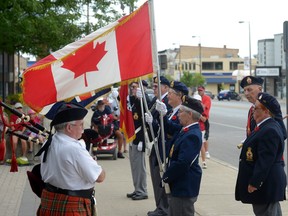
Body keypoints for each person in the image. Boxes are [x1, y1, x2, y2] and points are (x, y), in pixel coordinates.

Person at [37, 102, 105, 216]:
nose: (83, 130)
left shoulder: (48, 142)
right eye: (81, 125)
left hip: (49, 202)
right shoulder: (74, 149)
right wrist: (93, 162)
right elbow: (100, 177)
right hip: (72, 206)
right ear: (69, 127)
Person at [235, 92, 287, 216]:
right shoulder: (264, 127)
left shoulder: (269, 130)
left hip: (266, 185)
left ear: (266, 112)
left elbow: (265, 161)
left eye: (256, 108)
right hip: (266, 185)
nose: (253, 111)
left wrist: (255, 182)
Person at [155, 95, 204, 216]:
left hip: (184, 186)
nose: (177, 115)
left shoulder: (192, 135)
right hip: (179, 184)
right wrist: (162, 115)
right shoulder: (186, 130)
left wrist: (166, 177)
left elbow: (183, 163)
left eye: (181, 112)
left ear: (190, 115)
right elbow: (170, 128)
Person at [147, 76, 172, 216]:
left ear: (166, 88)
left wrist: (154, 122)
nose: (154, 88)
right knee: (156, 178)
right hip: (155, 143)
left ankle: (164, 208)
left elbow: (166, 126)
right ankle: (159, 207)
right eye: (154, 85)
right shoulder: (156, 101)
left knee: (161, 179)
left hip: (163, 146)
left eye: (157, 86)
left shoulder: (167, 102)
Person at [240, 75, 287, 140]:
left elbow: (282, 133)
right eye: (244, 90)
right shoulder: (251, 109)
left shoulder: (269, 104)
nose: (246, 93)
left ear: (260, 89)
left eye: (249, 90)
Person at [126, 81, 148, 200]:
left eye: (134, 87)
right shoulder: (133, 99)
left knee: (140, 167)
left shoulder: (143, 100)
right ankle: (137, 189)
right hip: (132, 137)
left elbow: (145, 120)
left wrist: (142, 141)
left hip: (139, 137)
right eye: (131, 87)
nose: (132, 89)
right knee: (134, 166)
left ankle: (142, 191)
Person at [193, 93, 208, 169]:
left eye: (199, 101)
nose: (197, 102)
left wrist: (198, 115)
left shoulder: (202, 109)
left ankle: (204, 161)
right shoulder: (191, 108)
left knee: (201, 145)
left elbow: (204, 119)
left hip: (201, 129)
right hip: (193, 128)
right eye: (196, 101)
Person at [197, 86, 211, 163]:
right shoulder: (198, 97)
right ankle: (202, 153)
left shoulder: (206, 98)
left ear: (204, 90)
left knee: (205, 137)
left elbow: (204, 107)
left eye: (201, 90)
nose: (200, 92)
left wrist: (198, 104)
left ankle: (206, 152)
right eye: (199, 90)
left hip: (204, 119)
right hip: (197, 119)